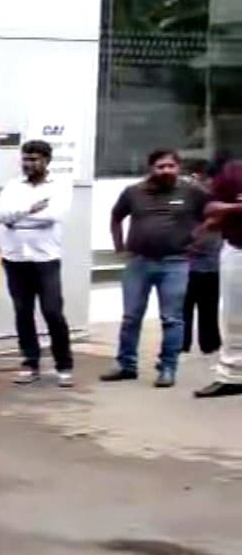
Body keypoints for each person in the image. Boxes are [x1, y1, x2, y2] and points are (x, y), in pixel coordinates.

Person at [104, 148, 211, 388]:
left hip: (175, 262)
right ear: (151, 168)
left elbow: (212, 216)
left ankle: (168, 368)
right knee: (131, 317)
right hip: (139, 262)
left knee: (172, 318)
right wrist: (119, 247)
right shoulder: (133, 192)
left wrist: (198, 242)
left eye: (171, 166)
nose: (166, 171)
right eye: (160, 166)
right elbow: (116, 217)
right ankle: (126, 365)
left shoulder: (192, 192)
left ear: (178, 167)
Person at [0, 139, 74, 386]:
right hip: (15, 258)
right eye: (25, 159)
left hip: (45, 258)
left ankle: (64, 365)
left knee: (52, 311)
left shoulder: (59, 187)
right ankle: (30, 363)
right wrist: (29, 210)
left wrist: (15, 218)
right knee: (23, 312)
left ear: (46, 161)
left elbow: (53, 215)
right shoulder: (13, 186)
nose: (28, 164)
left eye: (34, 159)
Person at [198, 155, 242, 399]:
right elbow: (211, 208)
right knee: (234, 318)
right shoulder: (233, 171)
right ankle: (233, 376)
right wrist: (234, 209)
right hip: (237, 249)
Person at [183, 159, 224, 363]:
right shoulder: (188, 197)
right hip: (188, 260)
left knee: (208, 305)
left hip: (210, 260)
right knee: (185, 305)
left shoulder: (216, 197)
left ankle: (209, 343)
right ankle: (183, 342)